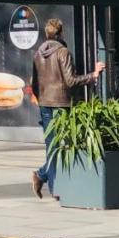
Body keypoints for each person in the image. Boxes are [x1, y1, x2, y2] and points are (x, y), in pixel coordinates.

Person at [28, 18, 106, 199]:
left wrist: (42, 99)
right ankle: (47, 180)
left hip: (45, 104)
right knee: (61, 146)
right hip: (61, 104)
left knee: (52, 146)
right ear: (61, 33)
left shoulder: (38, 54)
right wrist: (93, 75)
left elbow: (34, 83)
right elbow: (71, 81)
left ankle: (50, 183)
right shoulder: (63, 52)